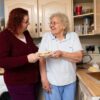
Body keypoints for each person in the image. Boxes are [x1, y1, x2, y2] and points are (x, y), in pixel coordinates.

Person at [39, 12, 83, 100]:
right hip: (52, 82)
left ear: (63, 25)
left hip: (70, 81)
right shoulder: (46, 37)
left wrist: (62, 54)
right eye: (50, 23)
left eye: (54, 23)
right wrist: (44, 79)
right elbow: (41, 58)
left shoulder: (73, 36)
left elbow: (79, 57)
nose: (51, 25)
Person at [0, 8, 40, 100]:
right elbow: (2, 61)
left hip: (33, 80)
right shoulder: (4, 36)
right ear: (16, 23)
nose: (28, 24)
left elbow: (33, 49)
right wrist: (26, 59)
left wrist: (42, 52)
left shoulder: (25, 33)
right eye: (26, 22)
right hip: (18, 83)